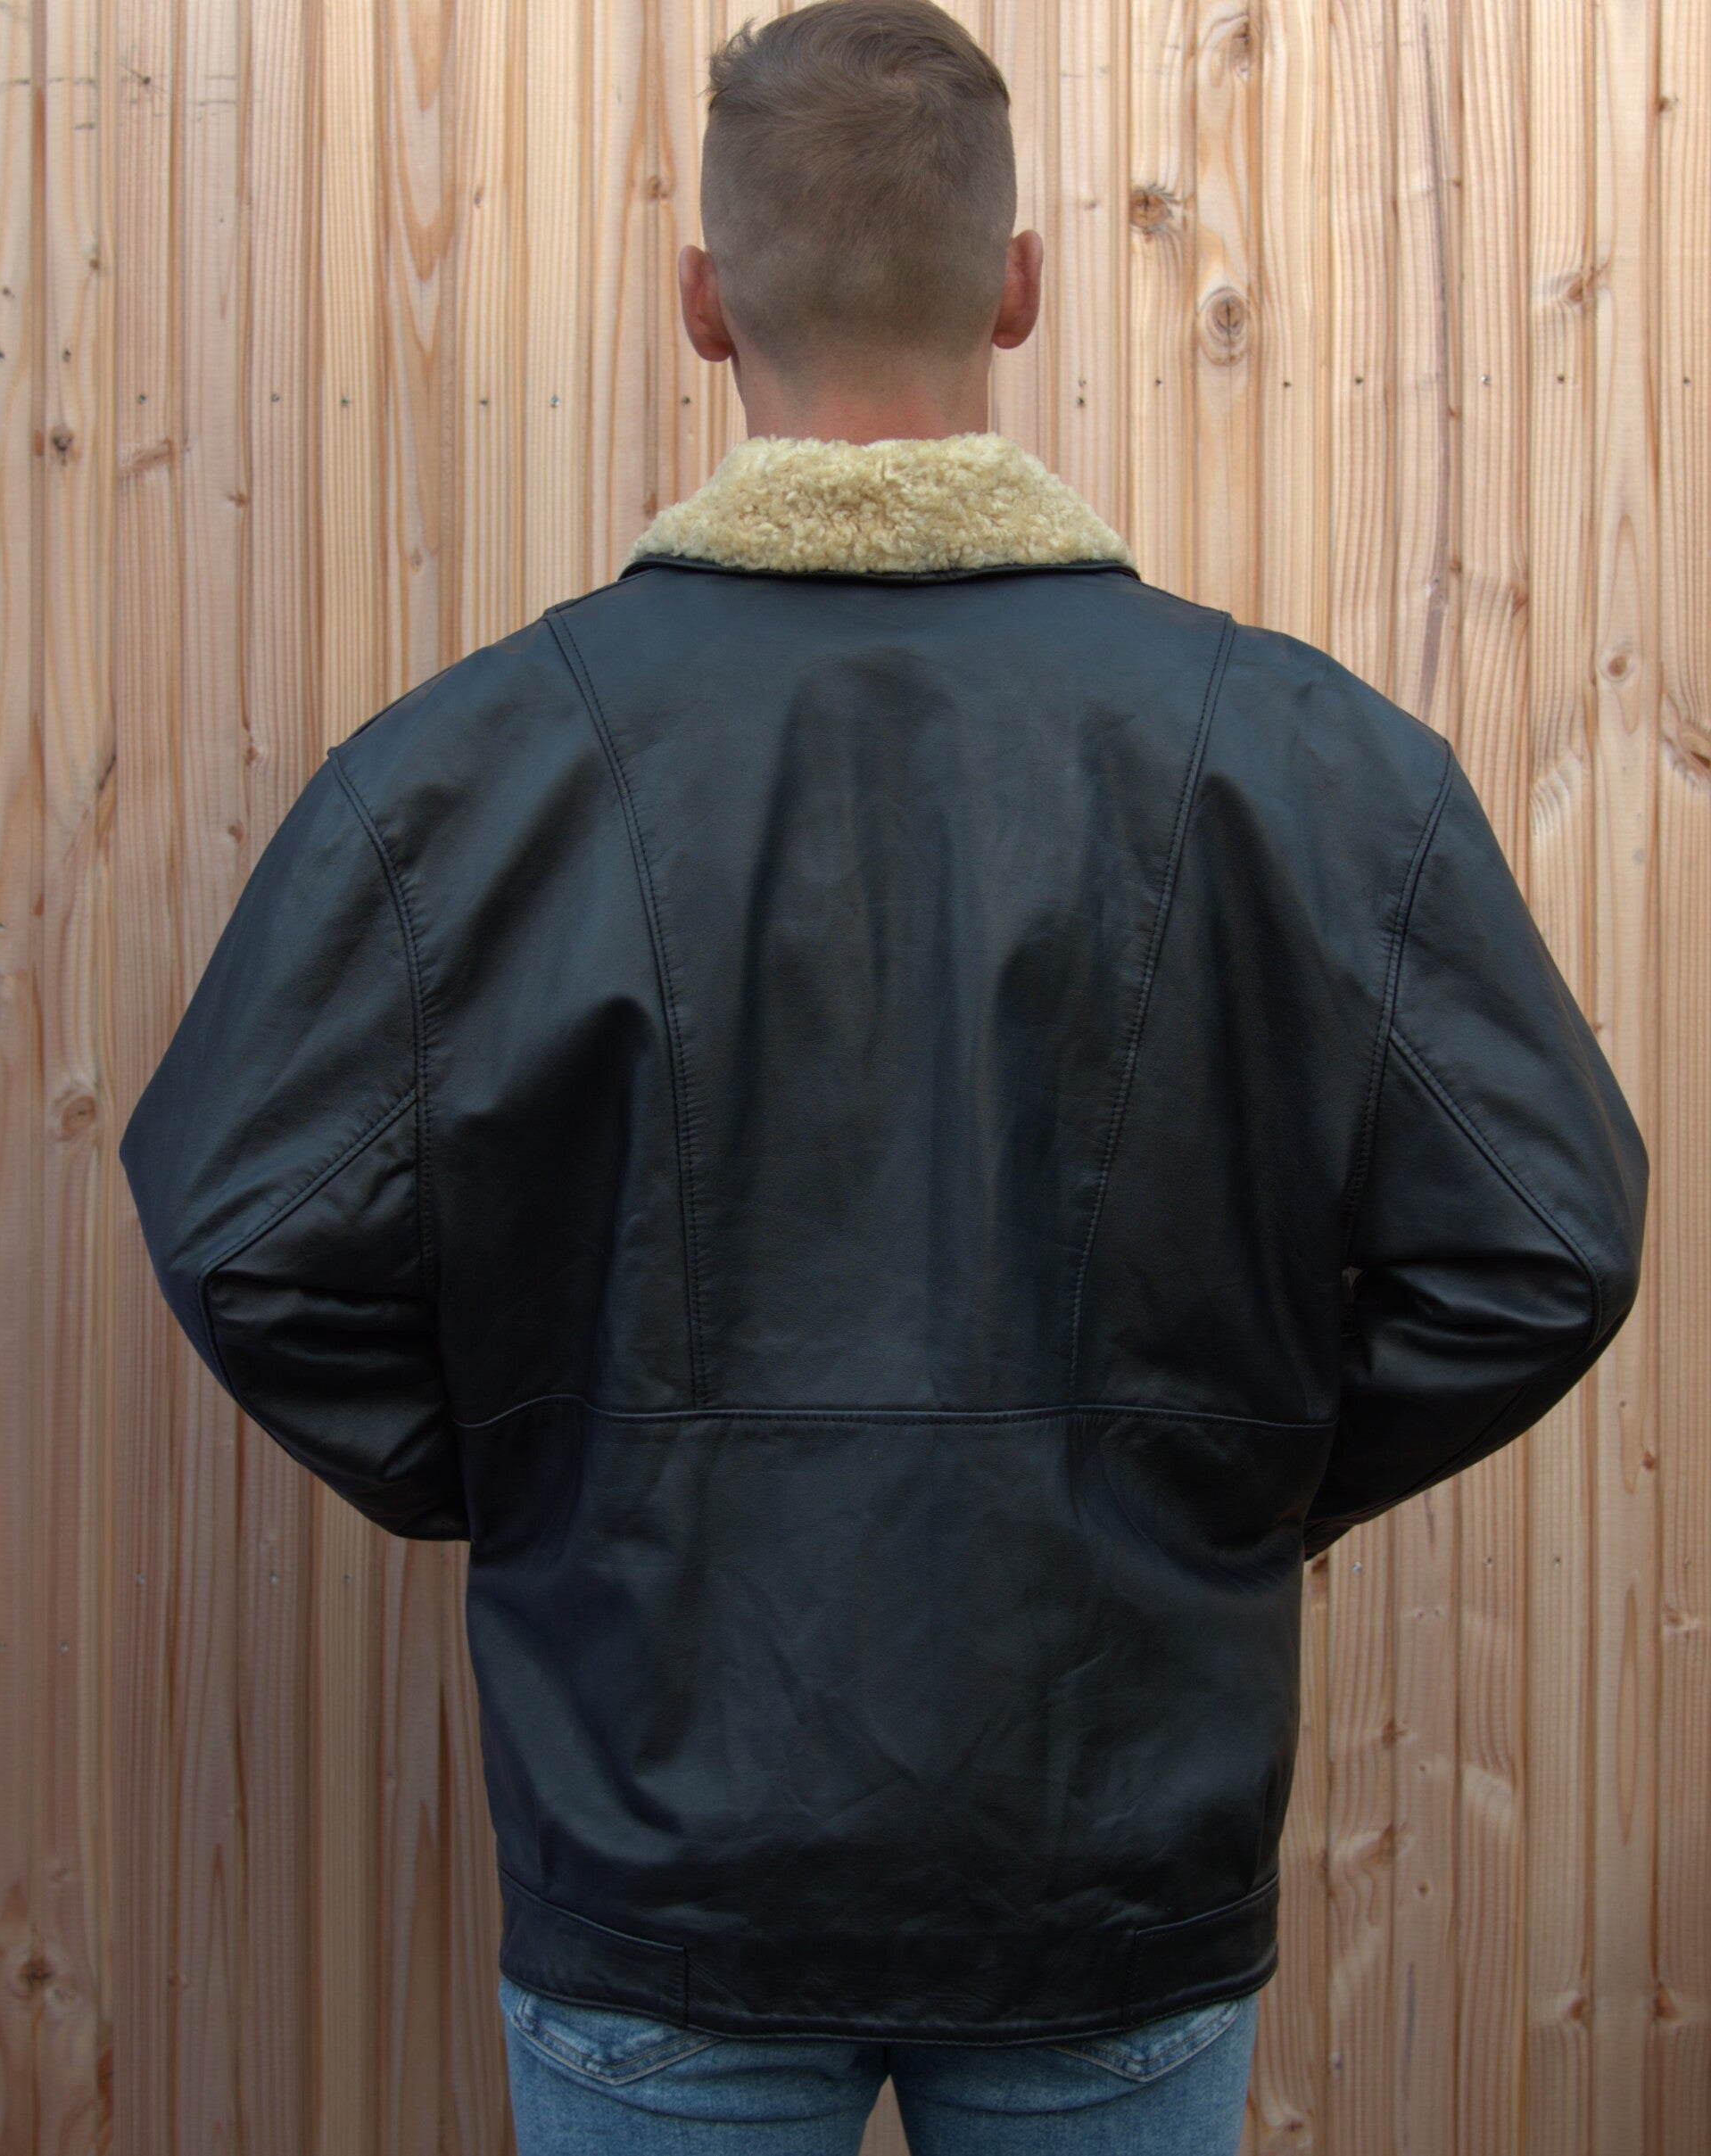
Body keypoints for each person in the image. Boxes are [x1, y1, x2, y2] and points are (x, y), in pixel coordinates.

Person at [119, 2, 1649, 2150]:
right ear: (1017, 287)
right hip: (1108, 1867)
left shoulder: (466, 776)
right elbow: (1549, 1240)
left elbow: (240, 1225)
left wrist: (556, 1478)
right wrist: (1228, 1475)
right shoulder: (1308, 765)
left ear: (702, 300)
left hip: (661, 1863)